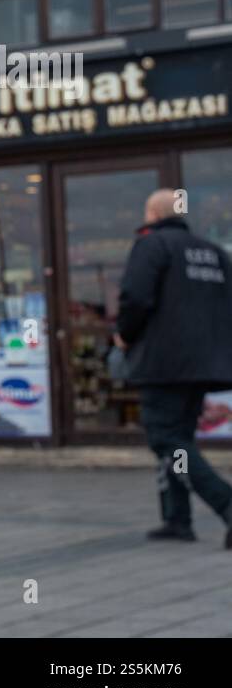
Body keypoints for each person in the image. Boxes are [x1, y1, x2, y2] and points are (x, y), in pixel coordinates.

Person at [115, 188, 232, 546]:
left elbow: (136, 297)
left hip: (164, 363)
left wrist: (124, 334)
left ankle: (227, 504)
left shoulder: (152, 246)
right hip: (203, 363)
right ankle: (177, 517)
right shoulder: (212, 252)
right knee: (178, 439)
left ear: (152, 212)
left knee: (166, 438)